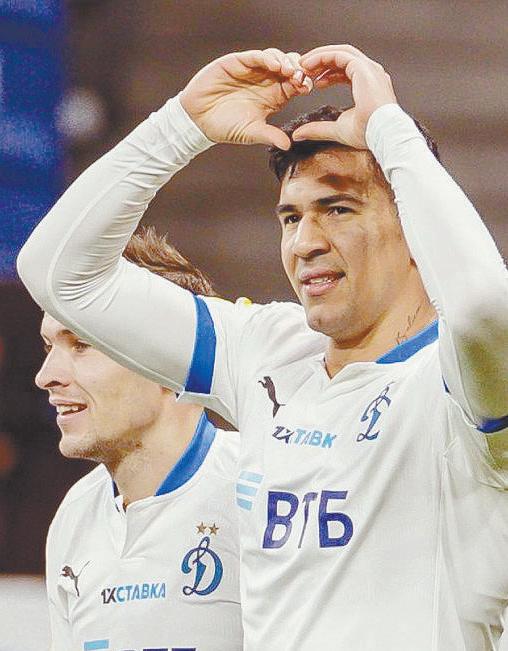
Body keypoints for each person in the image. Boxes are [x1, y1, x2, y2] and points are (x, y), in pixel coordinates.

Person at [18, 45, 508, 650]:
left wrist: (389, 129)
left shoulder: (461, 384)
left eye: (337, 209)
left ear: (414, 225)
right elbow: (59, 274)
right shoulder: (269, 352)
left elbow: (483, 304)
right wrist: (182, 126)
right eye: (290, 218)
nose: (305, 243)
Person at [35, 228, 242, 651]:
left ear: (169, 357)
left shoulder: (265, 491)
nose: (47, 376)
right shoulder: (75, 516)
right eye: (48, 347)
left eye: (82, 344)